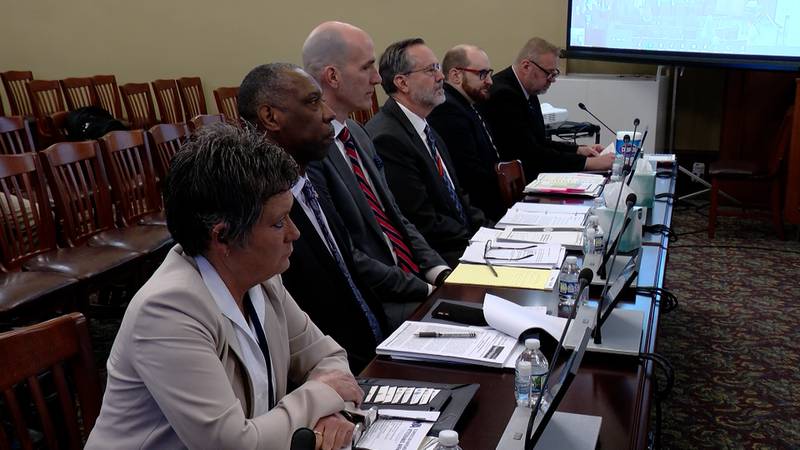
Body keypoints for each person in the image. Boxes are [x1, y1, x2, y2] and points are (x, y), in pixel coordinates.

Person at [86, 123, 360, 450]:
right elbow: (230, 444)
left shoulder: (262, 279)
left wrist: (331, 413)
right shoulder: (167, 311)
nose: (294, 233)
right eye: (277, 222)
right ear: (223, 236)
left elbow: (327, 357)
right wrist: (322, 396)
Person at [238, 63, 387, 373]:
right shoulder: (257, 215)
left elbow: (350, 272)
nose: (329, 114)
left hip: (376, 346)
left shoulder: (310, 183)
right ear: (270, 117)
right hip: (330, 373)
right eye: (312, 102)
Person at [301, 22, 450, 328]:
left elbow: (397, 217)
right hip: (379, 302)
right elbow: (347, 255)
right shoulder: (312, 152)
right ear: (333, 76)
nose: (377, 79)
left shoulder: (356, 133)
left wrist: (438, 270)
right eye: (367, 67)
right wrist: (424, 289)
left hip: (414, 281)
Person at [366, 38, 490, 267]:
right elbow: (423, 222)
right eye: (431, 70)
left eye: (438, 68)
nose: (441, 76)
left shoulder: (424, 125)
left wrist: (493, 233)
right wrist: (480, 241)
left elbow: (458, 197)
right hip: (441, 258)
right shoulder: (388, 138)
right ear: (402, 83)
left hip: (465, 244)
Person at [480, 37, 614, 181]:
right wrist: (589, 163)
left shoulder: (527, 90)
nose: (553, 79)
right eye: (549, 73)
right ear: (526, 66)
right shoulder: (504, 95)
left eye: (554, 74)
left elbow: (539, 142)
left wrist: (578, 150)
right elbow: (531, 154)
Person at [428, 44, 505, 221]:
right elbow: (470, 177)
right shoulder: (447, 110)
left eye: (490, 74)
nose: (490, 81)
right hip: (479, 213)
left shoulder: (467, 104)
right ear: (456, 75)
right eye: (482, 74)